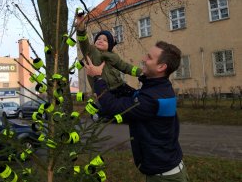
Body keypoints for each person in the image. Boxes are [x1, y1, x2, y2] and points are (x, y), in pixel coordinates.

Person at [84, 41, 189, 182]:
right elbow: (134, 108)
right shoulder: (160, 88)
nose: (144, 59)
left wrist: (98, 78)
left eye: (149, 58)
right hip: (168, 167)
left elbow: (114, 107)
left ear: (161, 67)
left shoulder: (152, 98)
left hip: (164, 177)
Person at [76, 15, 142, 97]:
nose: (100, 41)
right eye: (98, 39)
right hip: (103, 91)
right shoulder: (91, 51)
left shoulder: (113, 56)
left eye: (105, 40)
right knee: (111, 108)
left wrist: (141, 72)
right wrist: (81, 29)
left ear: (110, 45)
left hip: (120, 86)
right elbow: (83, 42)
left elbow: (125, 67)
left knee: (138, 99)